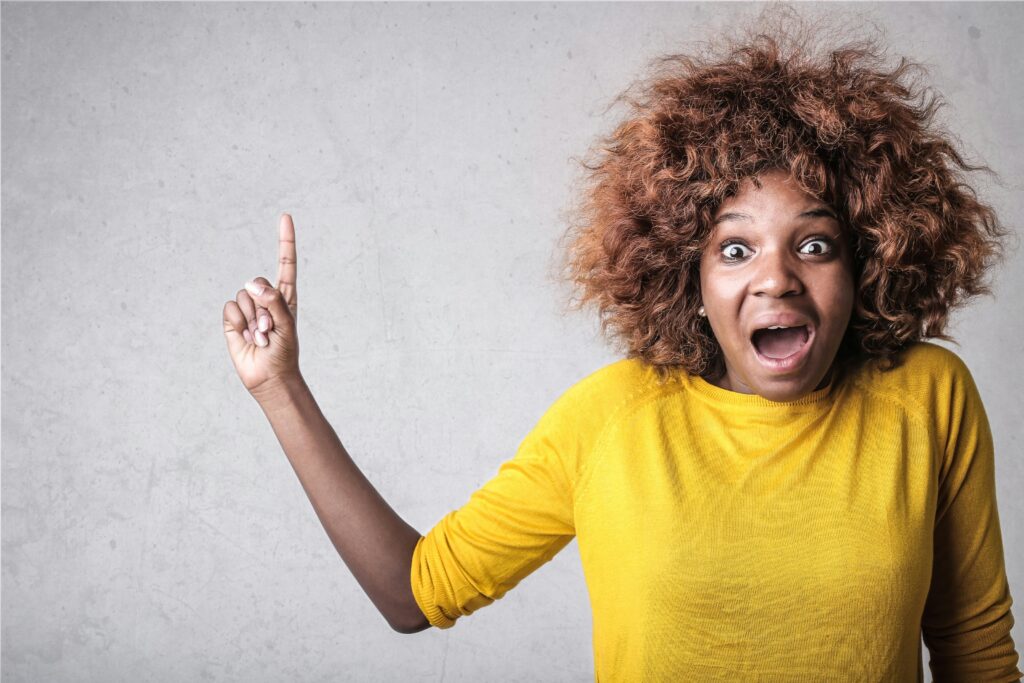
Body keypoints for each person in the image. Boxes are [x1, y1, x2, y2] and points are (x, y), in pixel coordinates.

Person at [222, 10, 1021, 682]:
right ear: (689, 277)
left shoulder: (927, 395)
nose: (776, 279)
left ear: (868, 261)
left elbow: (975, 651)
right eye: (735, 250)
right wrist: (280, 387)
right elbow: (413, 592)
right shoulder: (611, 418)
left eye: (814, 246)